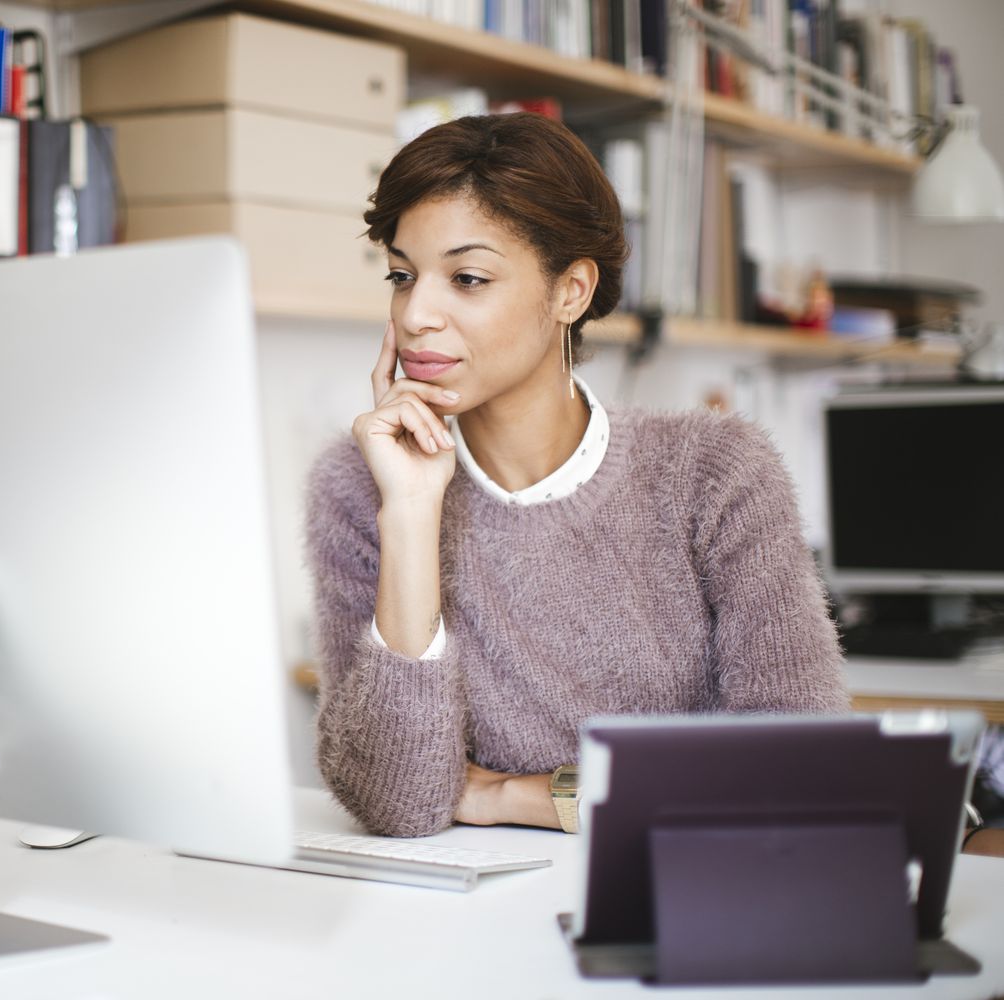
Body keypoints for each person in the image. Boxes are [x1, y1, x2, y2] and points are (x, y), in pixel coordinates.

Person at [305, 113, 849, 839]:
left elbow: (794, 769)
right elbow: (400, 802)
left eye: (466, 278)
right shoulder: (358, 482)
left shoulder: (715, 473)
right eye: (403, 276)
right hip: (459, 925)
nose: (416, 314)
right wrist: (409, 512)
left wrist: (509, 797)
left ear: (571, 292)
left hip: (682, 900)